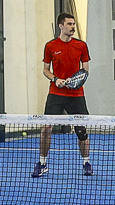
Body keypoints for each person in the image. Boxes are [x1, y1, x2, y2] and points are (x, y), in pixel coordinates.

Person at [35, 12, 92, 178]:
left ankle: (86, 163)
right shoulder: (50, 46)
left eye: (73, 24)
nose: (72, 27)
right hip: (56, 94)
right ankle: (42, 163)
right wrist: (56, 79)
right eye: (69, 24)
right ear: (61, 26)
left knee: (81, 130)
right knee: (46, 128)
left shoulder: (81, 46)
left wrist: (74, 81)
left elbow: (85, 70)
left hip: (76, 95)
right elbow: (46, 70)